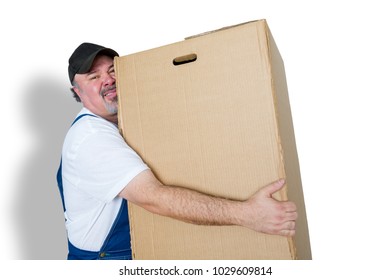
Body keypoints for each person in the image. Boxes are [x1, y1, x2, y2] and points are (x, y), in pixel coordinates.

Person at [57, 42, 298, 260]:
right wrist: (247, 214)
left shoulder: (133, 121)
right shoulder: (91, 138)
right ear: (77, 91)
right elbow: (153, 198)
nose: (108, 80)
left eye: (112, 70)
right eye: (93, 76)